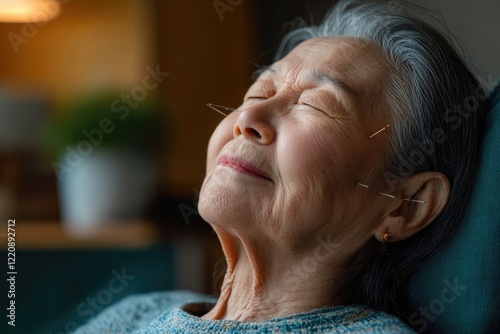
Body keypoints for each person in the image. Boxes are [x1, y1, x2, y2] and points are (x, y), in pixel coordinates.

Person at [75, 0, 486, 332]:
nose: (246, 120)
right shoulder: (131, 315)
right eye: (258, 93)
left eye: (315, 104)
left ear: (406, 205)